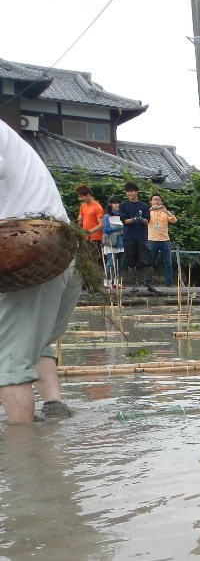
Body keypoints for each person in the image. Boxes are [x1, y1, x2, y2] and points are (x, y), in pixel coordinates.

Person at [0, 121, 81, 423]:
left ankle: (24, 454)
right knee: (37, 341)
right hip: (61, 253)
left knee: (10, 363)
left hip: (25, 252)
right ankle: (53, 405)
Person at [118, 181, 159, 296]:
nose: (130, 193)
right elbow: (125, 221)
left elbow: (147, 222)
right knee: (131, 261)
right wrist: (134, 219)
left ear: (136, 192)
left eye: (131, 191)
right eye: (128, 192)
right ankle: (134, 285)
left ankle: (150, 285)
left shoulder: (144, 206)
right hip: (129, 237)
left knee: (148, 260)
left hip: (141, 237)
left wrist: (140, 219)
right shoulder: (123, 206)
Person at [146, 194, 177, 287]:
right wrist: (149, 210)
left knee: (168, 262)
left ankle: (169, 283)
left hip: (165, 240)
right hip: (152, 239)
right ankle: (147, 282)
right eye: (154, 200)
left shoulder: (165, 212)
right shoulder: (148, 212)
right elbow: (141, 218)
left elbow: (174, 220)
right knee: (150, 262)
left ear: (161, 202)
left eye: (158, 200)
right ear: (151, 202)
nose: (156, 201)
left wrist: (167, 211)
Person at [101, 196, 125, 289]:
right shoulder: (107, 216)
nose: (117, 205)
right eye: (114, 203)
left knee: (120, 263)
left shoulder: (123, 215)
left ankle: (117, 282)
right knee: (110, 262)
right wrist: (119, 227)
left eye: (118, 203)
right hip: (112, 241)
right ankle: (107, 282)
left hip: (122, 241)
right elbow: (106, 229)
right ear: (110, 204)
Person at [74, 185, 104, 257]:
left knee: (95, 259)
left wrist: (90, 231)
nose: (80, 199)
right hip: (84, 237)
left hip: (95, 239)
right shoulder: (83, 206)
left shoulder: (97, 207)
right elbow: (79, 220)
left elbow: (101, 224)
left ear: (88, 195)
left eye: (81, 197)